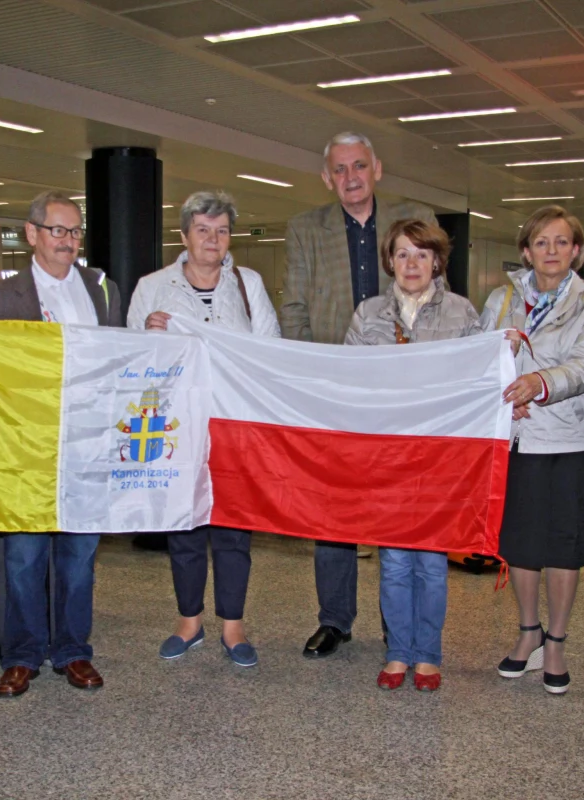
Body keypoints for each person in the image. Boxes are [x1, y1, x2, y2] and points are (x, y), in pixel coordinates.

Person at [281, 130, 438, 659]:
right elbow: (295, 308)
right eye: (340, 170)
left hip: (404, 389)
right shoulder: (306, 229)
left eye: (359, 166)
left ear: (377, 169)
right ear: (328, 178)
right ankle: (335, 619)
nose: (351, 177)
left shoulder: (414, 218)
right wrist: (310, 374)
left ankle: (403, 623)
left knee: (400, 501)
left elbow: (437, 291)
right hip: (336, 385)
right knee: (335, 506)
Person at [128, 190, 279, 668]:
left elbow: (270, 349)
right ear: (184, 235)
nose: (213, 240)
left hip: (235, 425)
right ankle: (188, 621)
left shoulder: (248, 283)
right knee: (186, 526)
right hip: (177, 425)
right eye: (203, 230)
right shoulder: (152, 286)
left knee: (235, 528)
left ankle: (233, 626)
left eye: (222, 231)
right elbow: (129, 357)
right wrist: (148, 335)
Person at [0, 191, 122, 698]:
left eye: (75, 231)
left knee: (79, 558)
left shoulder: (103, 290)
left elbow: (118, 359)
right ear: (32, 233)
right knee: (24, 557)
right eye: (58, 231)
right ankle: (22, 655)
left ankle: (72, 650)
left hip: (87, 443)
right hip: (28, 449)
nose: (69, 241)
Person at [480, 205, 584, 695]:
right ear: (526, 251)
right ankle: (528, 633)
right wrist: (497, 396)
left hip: (565, 440)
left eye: (561, 242)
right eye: (541, 243)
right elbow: (483, 355)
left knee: (561, 545)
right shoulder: (500, 299)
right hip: (513, 437)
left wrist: (536, 383)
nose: (551, 251)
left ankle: (556, 641)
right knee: (520, 545)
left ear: (576, 250)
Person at [345, 218, 479, 691]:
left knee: (431, 564)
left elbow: (476, 382)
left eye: (422, 254)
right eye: (402, 254)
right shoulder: (369, 314)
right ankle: (398, 651)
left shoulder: (462, 314)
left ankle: (428, 655)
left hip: (441, 457)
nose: (412, 263)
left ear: (438, 261)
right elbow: (351, 377)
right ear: (390, 261)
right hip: (389, 457)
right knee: (395, 562)